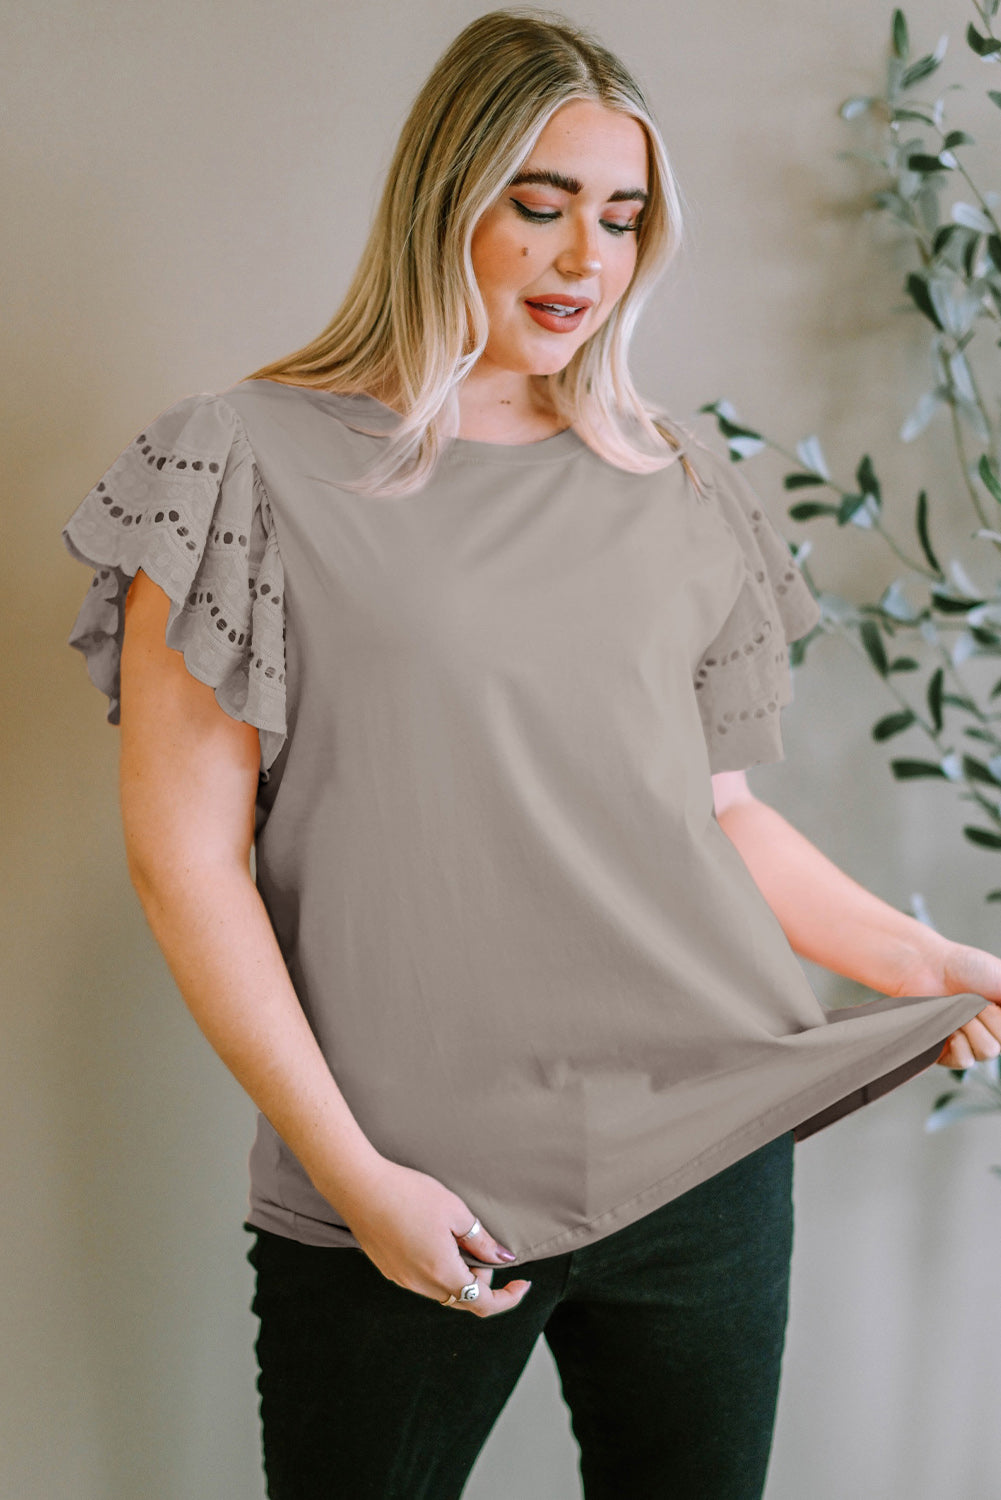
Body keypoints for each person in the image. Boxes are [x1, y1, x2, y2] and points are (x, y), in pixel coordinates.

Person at [59, 9, 1001, 1499]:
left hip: (703, 1161)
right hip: (404, 1183)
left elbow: (717, 820)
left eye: (620, 219)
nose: (584, 260)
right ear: (444, 198)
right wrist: (359, 1181)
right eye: (540, 204)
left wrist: (923, 958)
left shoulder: (678, 479)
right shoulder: (242, 462)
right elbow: (185, 864)